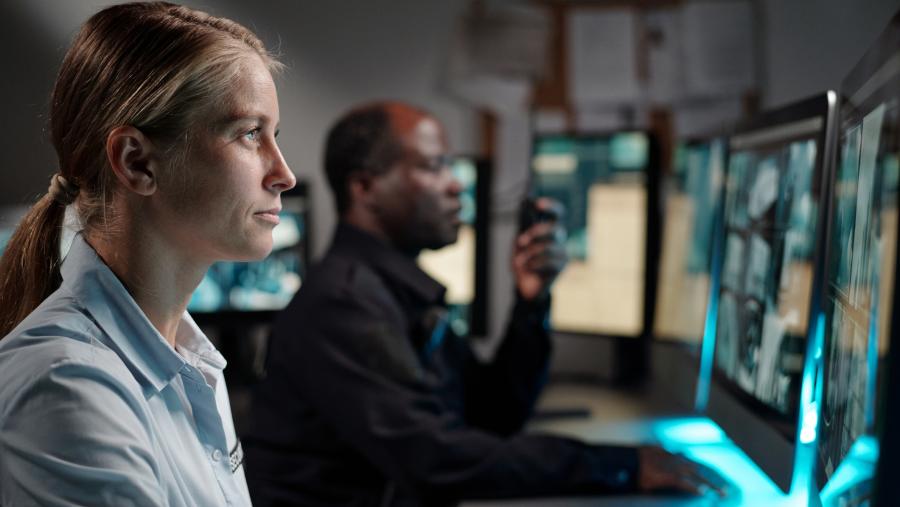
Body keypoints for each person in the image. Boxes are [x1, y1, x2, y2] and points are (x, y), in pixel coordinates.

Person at [245, 101, 724, 506]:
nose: (456, 184)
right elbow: (436, 459)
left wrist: (530, 305)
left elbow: (492, 415)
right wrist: (619, 465)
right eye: (434, 166)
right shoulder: (344, 305)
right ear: (365, 188)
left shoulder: (395, 294)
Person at [0, 2, 295, 505]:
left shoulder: (195, 368)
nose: (283, 173)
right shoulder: (68, 382)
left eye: (275, 136)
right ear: (136, 162)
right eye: (250, 133)